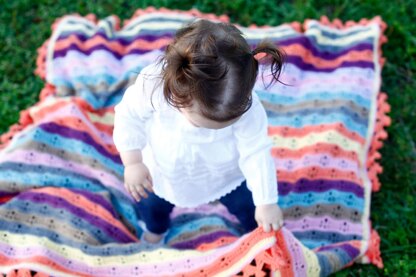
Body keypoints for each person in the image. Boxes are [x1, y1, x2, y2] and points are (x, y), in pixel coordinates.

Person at [113, 19, 285, 244]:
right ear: (180, 100)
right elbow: (128, 116)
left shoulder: (246, 106)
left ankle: (256, 232)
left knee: (247, 204)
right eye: (208, 124)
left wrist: (266, 202)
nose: (226, 125)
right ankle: (156, 230)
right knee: (149, 203)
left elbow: (256, 151)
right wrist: (133, 162)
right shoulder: (154, 86)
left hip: (225, 173)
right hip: (163, 169)